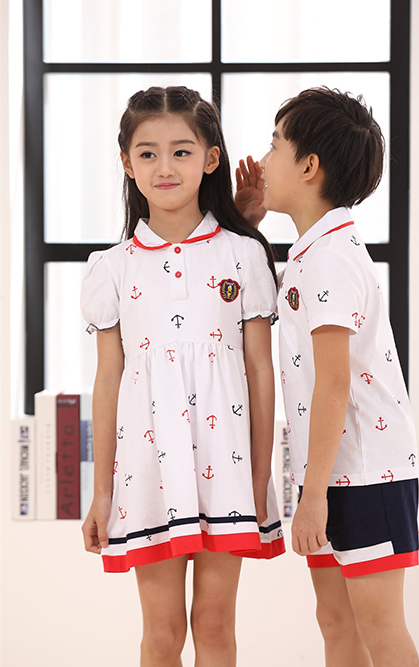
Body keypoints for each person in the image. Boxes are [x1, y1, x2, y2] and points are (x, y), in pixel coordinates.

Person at [80, 85, 285, 667]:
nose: (164, 167)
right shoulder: (111, 269)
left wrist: (260, 474)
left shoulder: (243, 255)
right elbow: (108, 381)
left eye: (181, 151)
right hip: (146, 471)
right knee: (162, 634)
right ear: (127, 164)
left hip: (229, 467)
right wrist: (102, 493)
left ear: (210, 158)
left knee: (215, 626)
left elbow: (260, 371)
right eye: (147, 153)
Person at [235, 87, 419, 667]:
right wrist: (247, 226)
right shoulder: (311, 252)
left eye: (274, 145)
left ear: (309, 166)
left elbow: (335, 383)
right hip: (330, 472)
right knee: (336, 621)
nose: (264, 159)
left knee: (379, 628)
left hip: (365, 472)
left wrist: (312, 494)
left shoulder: (332, 257)